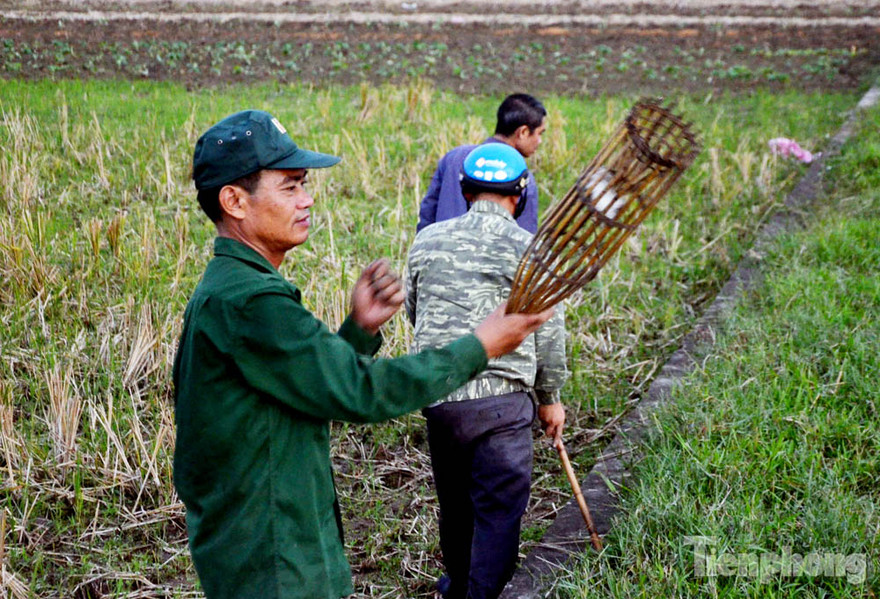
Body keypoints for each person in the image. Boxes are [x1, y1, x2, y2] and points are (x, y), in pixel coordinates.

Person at [173, 110, 554, 599]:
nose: (307, 199)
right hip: (274, 558)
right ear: (234, 201)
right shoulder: (252, 302)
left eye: (304, 184)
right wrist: (482, 344)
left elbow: (310, 387)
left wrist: (358, 331)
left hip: (263, 542)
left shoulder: (231, 289)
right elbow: (362, 392)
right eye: (290, 187)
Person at [406, 143, 568, 599]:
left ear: (465, 190)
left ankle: (458, 585)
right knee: (498, 511)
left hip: (441, 398)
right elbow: (548, 332)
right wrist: (550, 398)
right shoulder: (532, 251)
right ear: (520, 195)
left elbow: (416, 313)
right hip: (503, 407)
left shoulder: (426, 241)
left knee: (456, 505)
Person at [417, 93, 547, 234]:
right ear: (523, 132)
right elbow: (525, 237)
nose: (540, 141)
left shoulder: (453, 157)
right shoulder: (520, 176)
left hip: (441, 246)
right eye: (540, 133)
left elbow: (427, 215)